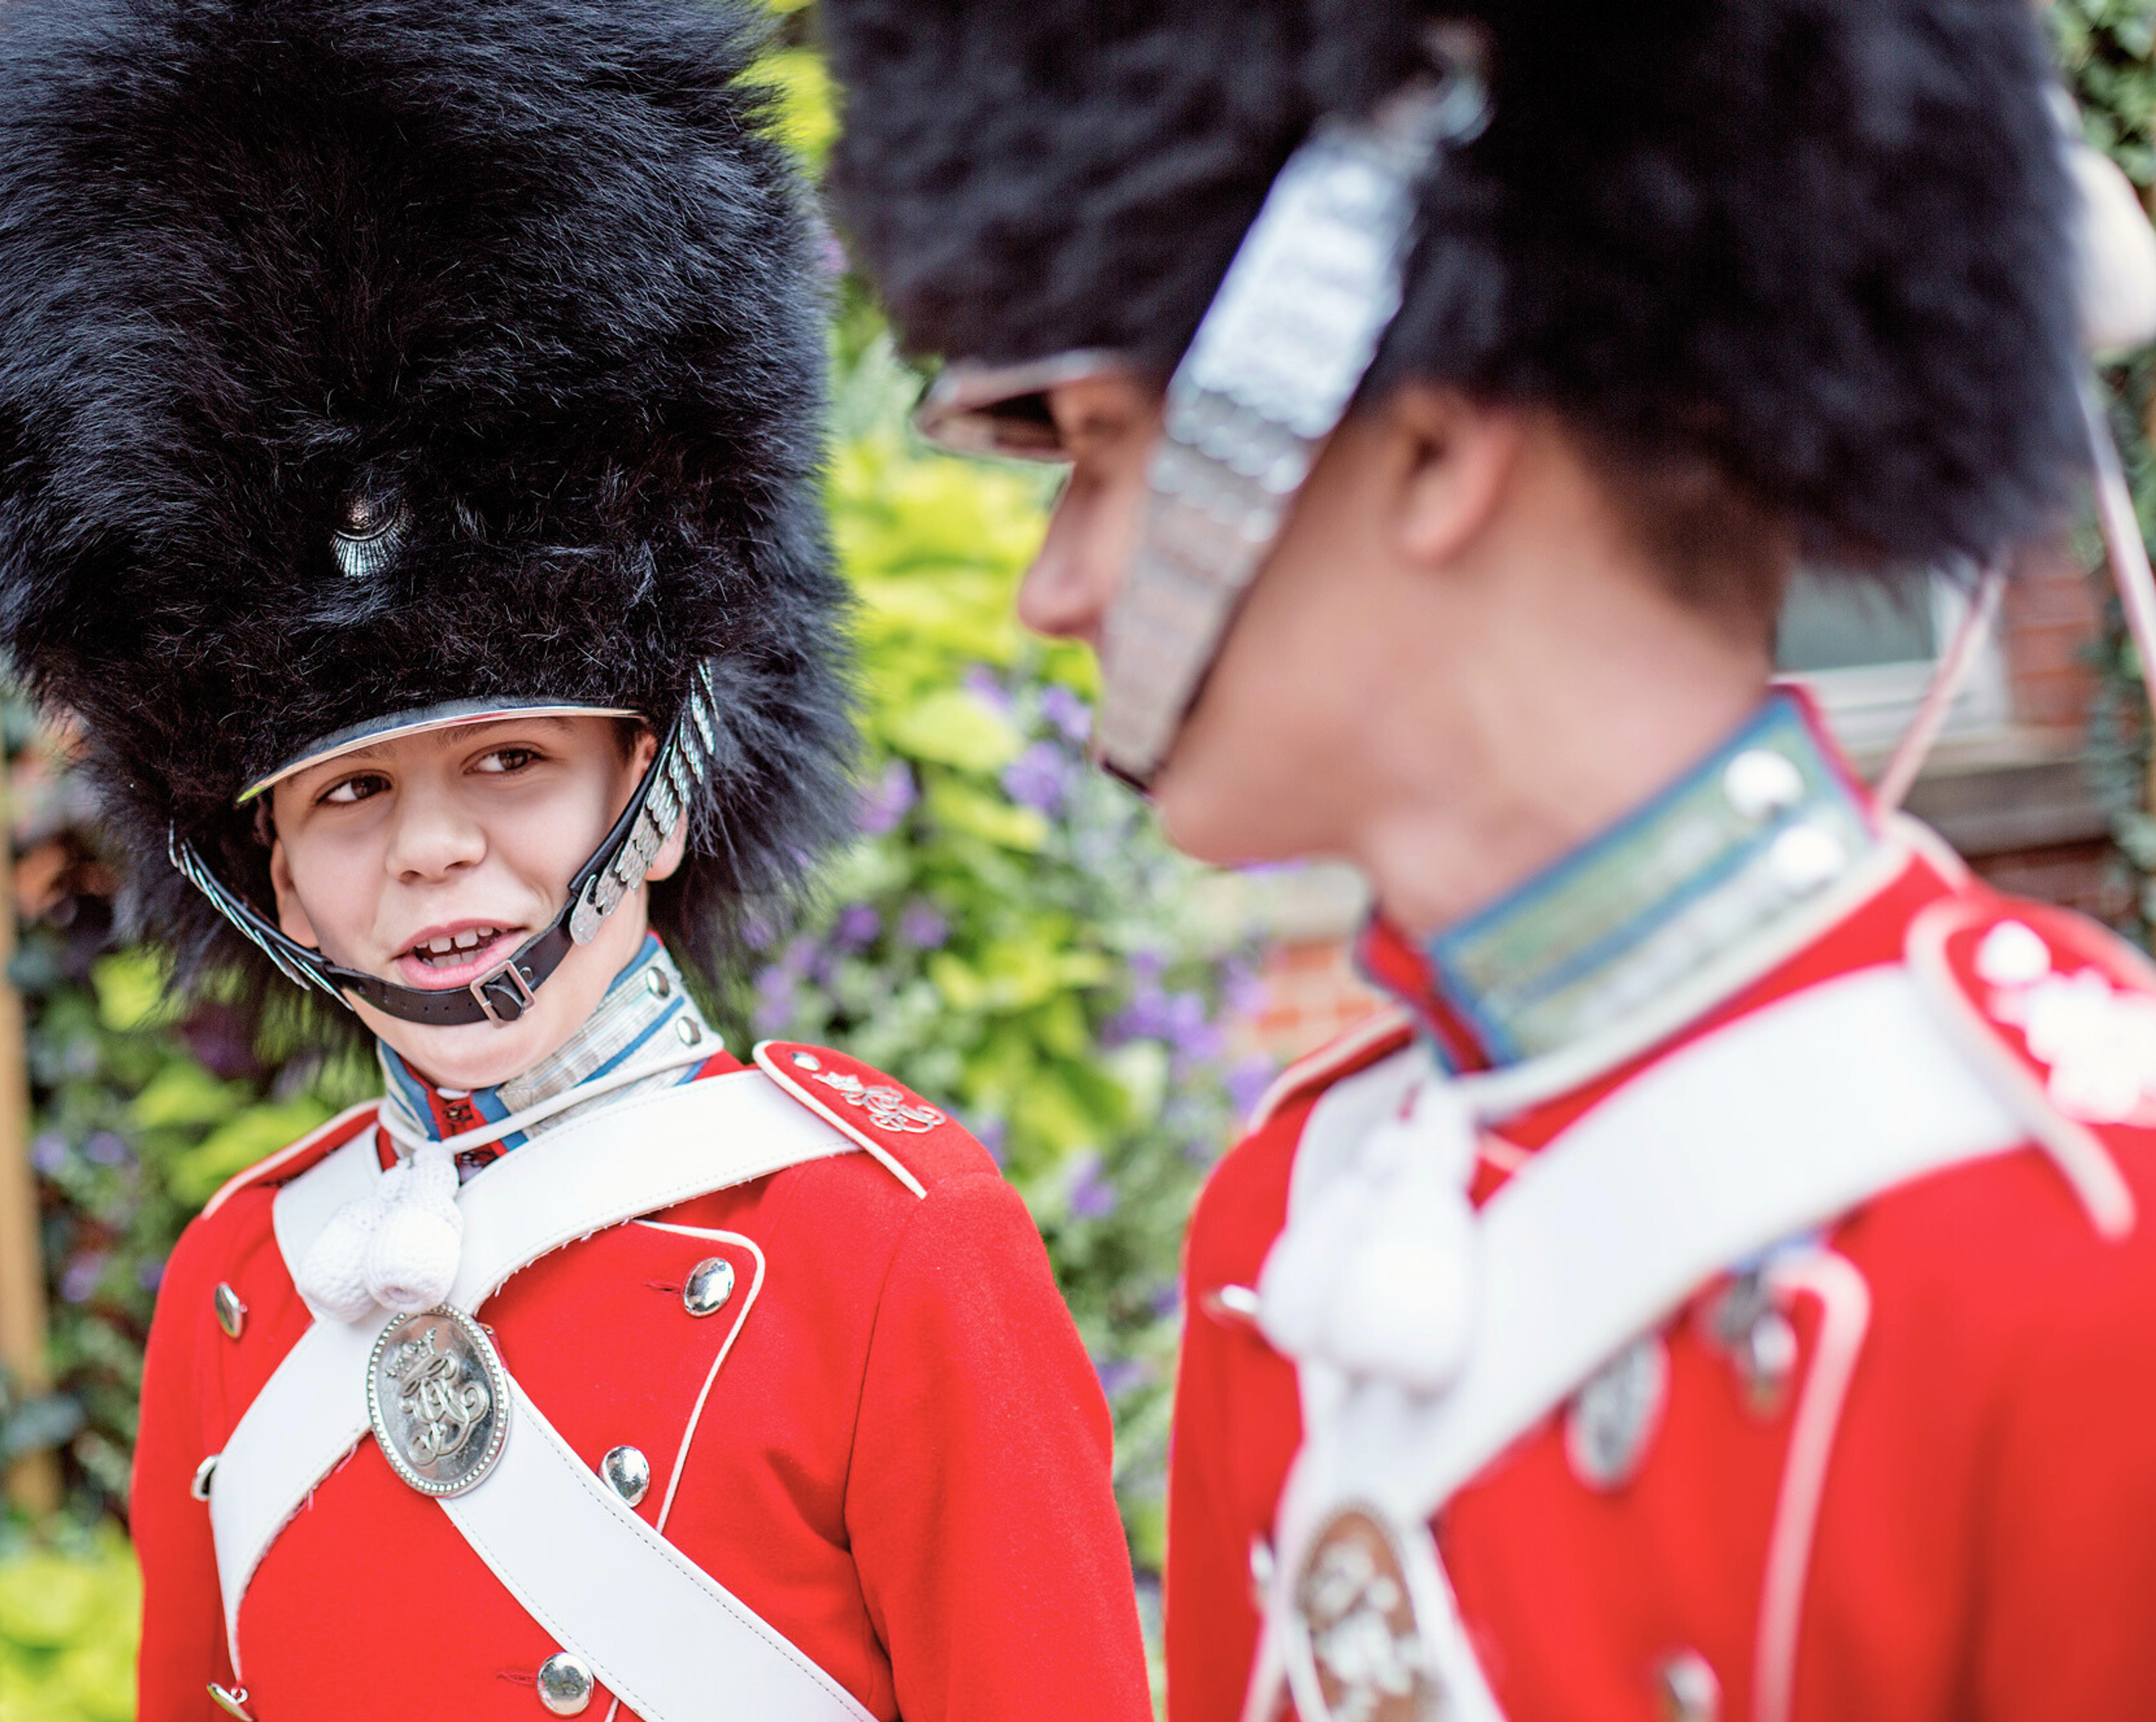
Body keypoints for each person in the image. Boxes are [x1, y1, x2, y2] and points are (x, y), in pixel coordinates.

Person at [822, 1, 2156, 1719]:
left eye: (1095, 453)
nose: (1052, 593)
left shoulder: (2091, 1230)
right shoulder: (1291, 1204)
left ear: (1436, 450)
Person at [0, 2, 1157, 1718]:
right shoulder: (242, 1282)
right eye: (346, 797)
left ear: (666, 779)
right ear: (271, 870)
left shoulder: (890, 1249)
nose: (436, 849)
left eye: (514, 759)